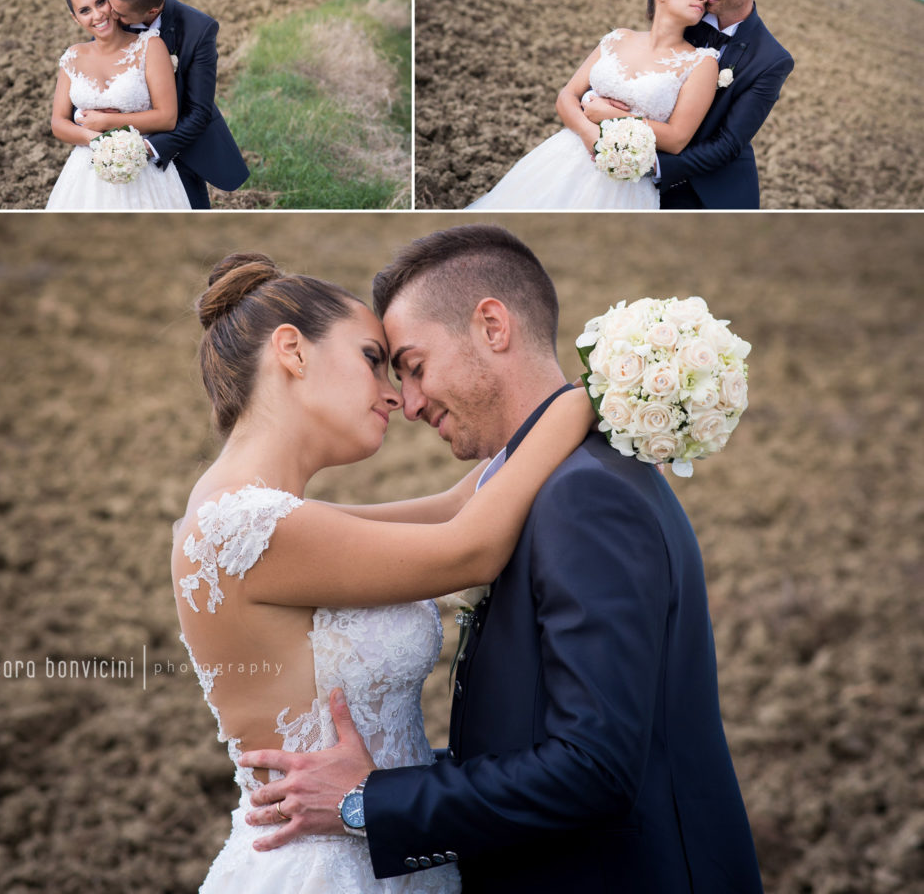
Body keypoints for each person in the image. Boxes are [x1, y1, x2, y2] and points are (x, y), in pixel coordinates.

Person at [240, 224, 764, 893]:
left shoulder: (584, 496)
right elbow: (537, 732)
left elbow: (592, 767)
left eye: (416, 366)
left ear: (492, 325)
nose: (411, 403)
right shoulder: (539, 483)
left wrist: (369, 801)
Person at [171, 251, 593, 892]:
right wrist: (596, 394)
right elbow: (467, 550)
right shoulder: (249, 526)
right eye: (373, 359)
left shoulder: (275, 517)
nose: (396, 394)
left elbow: (457, 507)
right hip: (324, 869)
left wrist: (542, 401)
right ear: (293, 351)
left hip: (378, 848)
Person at [467, 0, 720, 209]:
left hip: (623, 183)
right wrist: (588, 133)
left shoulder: (702, 63)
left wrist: (610, 115)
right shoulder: (618, 38)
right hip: (563, 158)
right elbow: (566, 96)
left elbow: (677, 139)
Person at [585, 0, 794, 209]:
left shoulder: (771, 59)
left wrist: (644, 162)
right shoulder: (686, 11)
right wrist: (592, 101)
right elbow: (635, 69)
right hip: (631, 149)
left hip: (703, 187)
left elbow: (728, 144)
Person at [105, 0, 250, 209]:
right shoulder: (111, 18)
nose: (110, 16)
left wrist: (147, 148)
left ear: (152, 11)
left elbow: (198, 112)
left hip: (176, 147)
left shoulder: (198, 30)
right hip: (116, 148)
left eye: (120, 13)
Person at [46, 0, 192, 209]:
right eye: (85, 10)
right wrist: (96, 139)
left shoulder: (150, 46)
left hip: (142, 164)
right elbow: (58, 123)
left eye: (101, 2)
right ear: (75, 18)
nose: (97, 15)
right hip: (86, 170)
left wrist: (106, 124)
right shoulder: (72, 56)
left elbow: (167, 117)